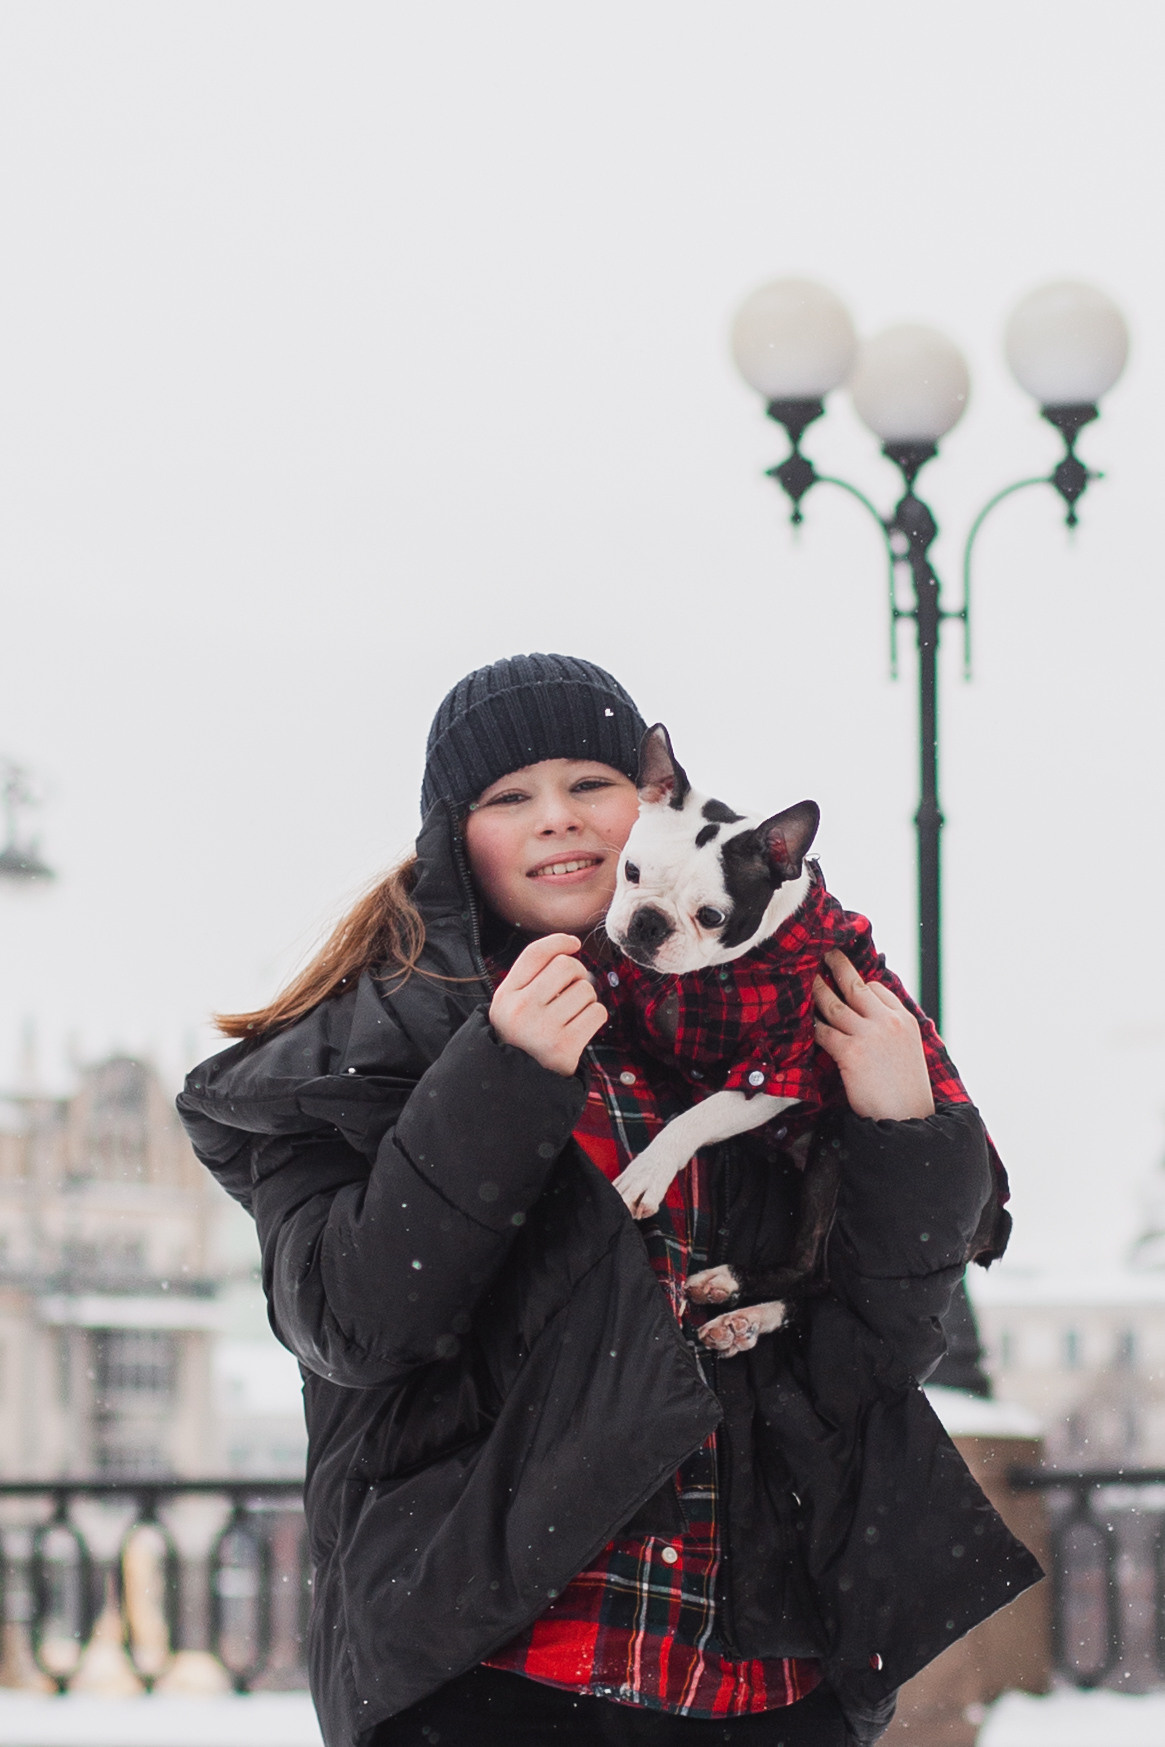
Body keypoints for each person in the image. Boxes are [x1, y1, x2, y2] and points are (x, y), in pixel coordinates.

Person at [177, 653, 1039, 1747]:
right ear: (452, 834)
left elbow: (868, 1357)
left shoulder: (753, 1043)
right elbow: (357, 1320)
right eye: (508, 796)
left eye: (591, 781)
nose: (557, 819)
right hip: (497, 1673)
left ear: (655, 802)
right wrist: (500, 1076)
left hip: (763, 1687)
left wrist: (902, 1130)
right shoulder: (366, 1046)